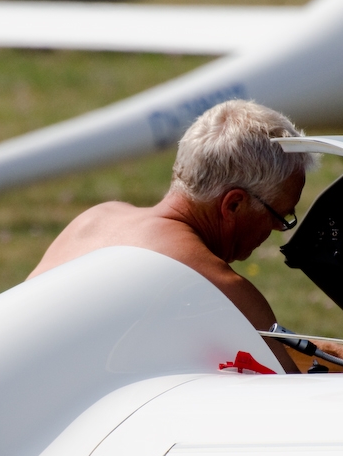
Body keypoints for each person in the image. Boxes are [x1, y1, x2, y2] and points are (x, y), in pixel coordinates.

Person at [27, 99, 310, 372]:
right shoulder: (222, 289)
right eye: (280, 215)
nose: (278, 228)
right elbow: (289, 391)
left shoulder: (95, 219)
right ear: (233, 204)